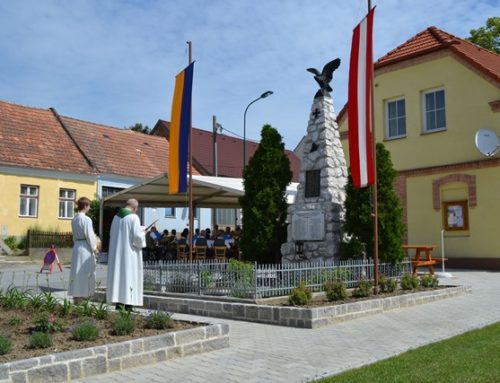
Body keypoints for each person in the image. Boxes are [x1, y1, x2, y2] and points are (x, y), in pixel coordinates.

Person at [106, 198, 146, 311]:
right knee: (129, 276)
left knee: (119, 277)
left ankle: (119, 303)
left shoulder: (115, 218)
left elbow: (111, 234)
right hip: (130, 254)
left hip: (117, 253)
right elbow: (137, 238)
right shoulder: (133, 217)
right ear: (134, 208)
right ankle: (128, 304)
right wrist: (144, 233)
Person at [69, 197, 98, 304]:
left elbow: (73, 236)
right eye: (89, 206)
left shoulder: (74, 219)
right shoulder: (86, 219)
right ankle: (84, 296)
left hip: (77, 246)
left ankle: (76, 296)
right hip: (85, 246)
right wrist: (94, 248)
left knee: (76, 272)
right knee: (85, 271)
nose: (89, 208)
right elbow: (90, 235)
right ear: (85, 206)